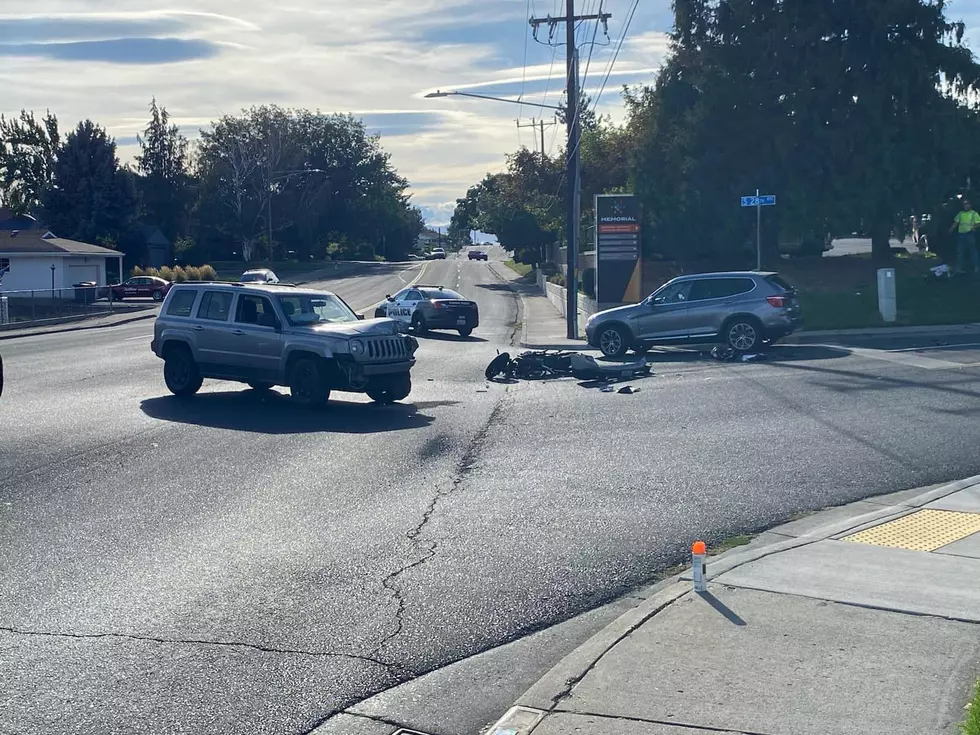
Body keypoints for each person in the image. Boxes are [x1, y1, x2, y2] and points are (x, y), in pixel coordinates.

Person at [950, 199, 980, 274]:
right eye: (964, 204)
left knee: (973, 251)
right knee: (960, 252)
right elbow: (955, 223)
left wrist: (974, 227)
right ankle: (959, 268)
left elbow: (978, 223)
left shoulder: (974, 213)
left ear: (970, 205)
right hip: (961, 235)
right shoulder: (960, 213)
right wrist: (951, 229)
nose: (965, 206)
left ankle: (976, 267)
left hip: (969, 234)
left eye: (967, 204)